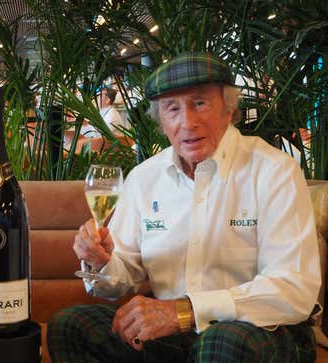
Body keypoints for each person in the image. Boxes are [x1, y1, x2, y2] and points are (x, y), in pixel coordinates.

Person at [48, 52, 320, 362]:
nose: (187, 122)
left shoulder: (273, 171)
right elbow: (122, 276)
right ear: (161, 121)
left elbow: (293, 288)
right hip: (174, 335)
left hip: (265, 331)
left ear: (229, 110)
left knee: (219, 343)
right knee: (70, 326)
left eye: (200, 103)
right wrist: (103, 261)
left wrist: (187, 310)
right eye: (172, 108)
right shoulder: (145, 178)